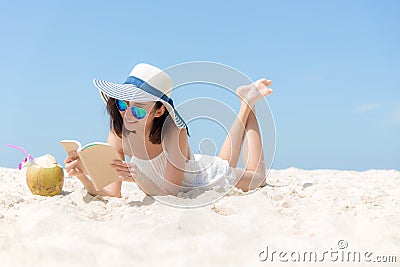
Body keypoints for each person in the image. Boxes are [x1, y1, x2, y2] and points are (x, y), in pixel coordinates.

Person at [64, 63, 273, 197]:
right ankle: (245, 102)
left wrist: (138, 178)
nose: (126, 114)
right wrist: (83, 177)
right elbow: (111, 192)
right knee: (224, 161)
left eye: (137, 109)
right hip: (190, 165)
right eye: (122, 104)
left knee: (258, 178)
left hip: (202, 179)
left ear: (159, 110)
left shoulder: (174, 132)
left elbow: (170, 194)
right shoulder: (118, 133)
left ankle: (248, 104)